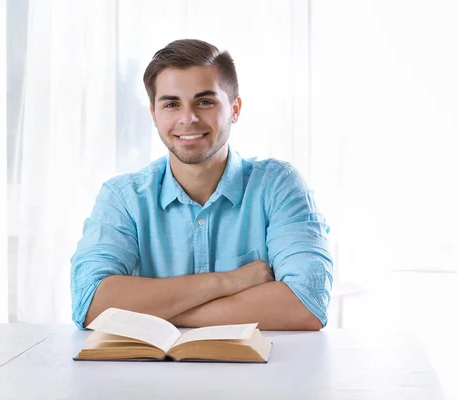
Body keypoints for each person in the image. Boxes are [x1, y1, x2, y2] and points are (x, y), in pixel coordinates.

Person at [71, 39, 333, 331]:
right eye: (171, 104)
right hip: (149, 376)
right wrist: (229, 282)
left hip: (259, 376)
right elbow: (90, 303)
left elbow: (306, 305)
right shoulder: (122, 198)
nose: (188, 118)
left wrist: (156, 313)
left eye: (205, 102)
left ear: (235, 109)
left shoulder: (277, 186)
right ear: (154, 115)